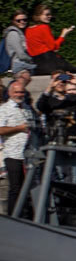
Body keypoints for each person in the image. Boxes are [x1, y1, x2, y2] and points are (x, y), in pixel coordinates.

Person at [0, 80, 39, 216]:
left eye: (21, 92)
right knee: (15, 188)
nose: (19, 94)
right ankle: (13, 216)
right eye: (16, 92)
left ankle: (28, 216)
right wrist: (19, 128)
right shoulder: (4, 109)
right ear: (10, 93)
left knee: (29, 187)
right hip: (13, 154)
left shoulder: (28, 108)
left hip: (29, 155)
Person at [36, 71, 76, 142]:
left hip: (71, 139)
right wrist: (49, 87)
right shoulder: (49, 101)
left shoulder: (73, 99)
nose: (60, 83)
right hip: (54, 140)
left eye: (63, 80)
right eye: (57, 80)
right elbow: (40, 106)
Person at [25, 5, 75, 75]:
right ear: (39, 15)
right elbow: (54, 47)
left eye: (50, 14)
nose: (49, 16)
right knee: (73, 70)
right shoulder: (44, 27)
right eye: (47, 14)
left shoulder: (28, 30)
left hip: (36, 64)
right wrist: (63, 35)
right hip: (49, 62)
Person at [4, 10, 34, 74]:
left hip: (24, 64)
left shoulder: (21, 33)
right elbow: (20, 54)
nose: (22, 22)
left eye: (24, 20)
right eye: (18, 20)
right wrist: (32, 59)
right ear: (13, 21)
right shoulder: (13, 34)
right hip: (20, 65)